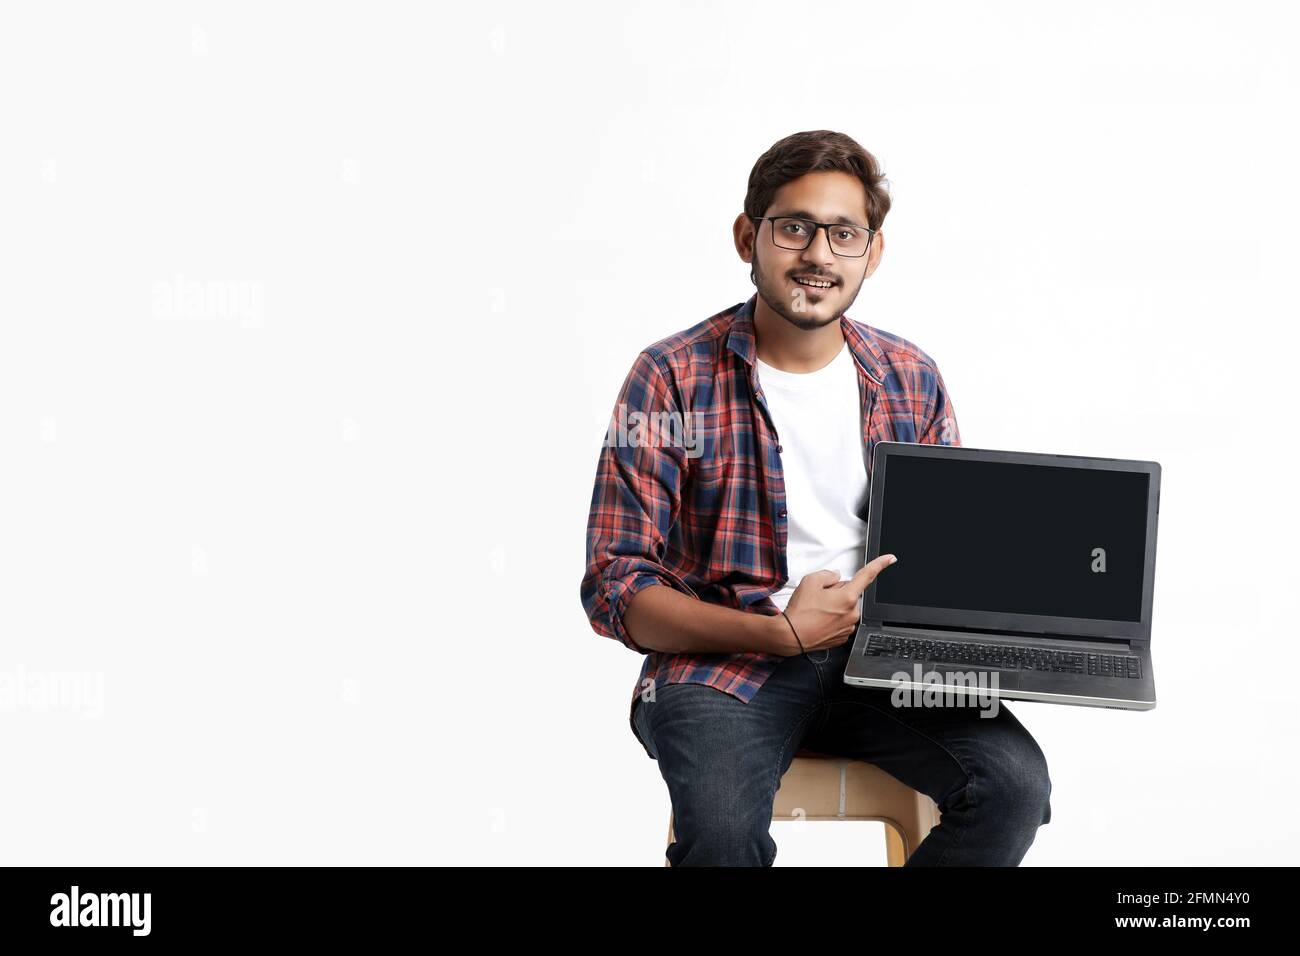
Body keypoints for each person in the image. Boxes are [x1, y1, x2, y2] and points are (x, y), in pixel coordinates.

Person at [580, 130, 1051, 866]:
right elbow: (615, 587)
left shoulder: (910, 377)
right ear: (748, 237)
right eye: (794, 227)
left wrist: (1016, 641)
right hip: (725, 668)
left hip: (887, 671)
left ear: (873, 252)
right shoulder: (669, 377)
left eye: (844, 234)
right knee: (723, 833)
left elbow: (950, 565)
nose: (819, 255)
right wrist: (780, 634)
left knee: (1014, 789)